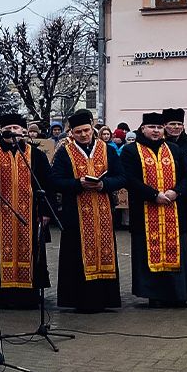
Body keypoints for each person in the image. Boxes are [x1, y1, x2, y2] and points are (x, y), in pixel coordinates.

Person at [49, 110, 125, 313]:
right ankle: (80, 300)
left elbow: (121, 177)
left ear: (93, 129)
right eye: (78, 132)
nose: (83, 135)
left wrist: (104, 184)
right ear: (71, 133)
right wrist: (77, 183)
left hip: (103, 212)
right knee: (76, 256)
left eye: (86, 130)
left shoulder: (107, 149)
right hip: (76, 214)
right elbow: (54, 181)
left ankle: (105, 299)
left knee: (104, 252)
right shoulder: (64, 152)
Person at [119, 112, 187, 308]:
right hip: (145, 210)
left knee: (177, 251)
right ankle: (155, 294)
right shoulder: (131, 150)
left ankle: (179, 294)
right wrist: (154, 195)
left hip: (173, 210)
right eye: (151, 127)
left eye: (159, 127)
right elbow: (130, 179)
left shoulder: (173, 149)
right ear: (143, 129)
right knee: (147, 253)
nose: (155, 131)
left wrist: (176, 192)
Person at [0, 113, 53, 310]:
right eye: (9, 127)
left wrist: (45, 212)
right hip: (1, 213)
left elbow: (46, 184)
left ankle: (29, 295)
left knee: (32, 251)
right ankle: (3, 295)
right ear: (2, 131)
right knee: (0, 252)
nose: (13, 131)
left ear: (24, 131)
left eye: (17, 128)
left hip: (30, 213)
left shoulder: (36, 155)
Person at [163, 108, 187, 281]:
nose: (176, 127)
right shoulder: (159, 145)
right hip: (162, 200)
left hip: (184, 202)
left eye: (179, 124)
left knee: (186, 244)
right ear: (165, 126)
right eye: (172, 124)